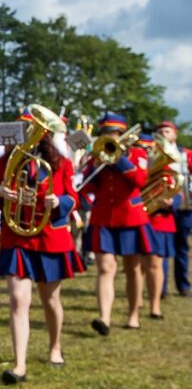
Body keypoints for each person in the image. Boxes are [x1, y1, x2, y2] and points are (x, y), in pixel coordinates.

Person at [0, 110, 84, 384]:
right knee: (18, 300)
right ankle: (19, 364)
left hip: (49, 237)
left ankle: (55, 346)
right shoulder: (5, 161)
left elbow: (73, 198)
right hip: (17, 235)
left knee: (50, 300)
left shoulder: (61, 163)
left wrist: (59, 203)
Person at [81, 112, 154, 334]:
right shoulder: (97, 157)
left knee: (133, 268)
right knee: (105, 267)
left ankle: (133, 314)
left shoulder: (137, 154)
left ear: (123, 134)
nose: (109, 136)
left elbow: (140, 180)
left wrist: (119, 159)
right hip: (104, 217)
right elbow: (86, 187)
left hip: (130, 217)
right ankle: (104, 317)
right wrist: (94, 166)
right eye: (105, 133)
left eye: (113, 133)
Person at [142, 126, 178, 319]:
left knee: (156, 263)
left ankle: (155, 306)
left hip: (160, 220)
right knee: (138, 264)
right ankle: (137, 299)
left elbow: (177, 192)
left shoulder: (167, 171)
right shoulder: (140, 167)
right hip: (139, 218)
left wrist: (170, 202)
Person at [158, 121, 192, 297]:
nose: (164, 133)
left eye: (167, 131)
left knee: (181, 247)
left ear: (175, 135)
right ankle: (160, 288)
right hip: (163, 208)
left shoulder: (186, 154)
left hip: (184, 207)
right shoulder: (154, 153)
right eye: (161, 131)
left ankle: (183, 285)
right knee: (162, 249)